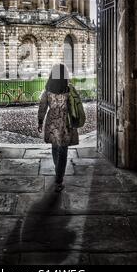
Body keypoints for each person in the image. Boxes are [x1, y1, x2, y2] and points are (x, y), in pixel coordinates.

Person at [38, 64, 79, 193]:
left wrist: (40, 121)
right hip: (65, 121)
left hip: (52, 121)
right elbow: (76, 105)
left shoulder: (48, 90)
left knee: (55, 147)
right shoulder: (69, 89)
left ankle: (58, 172)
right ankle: (59, 179)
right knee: (63, 150)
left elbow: (43, 106)